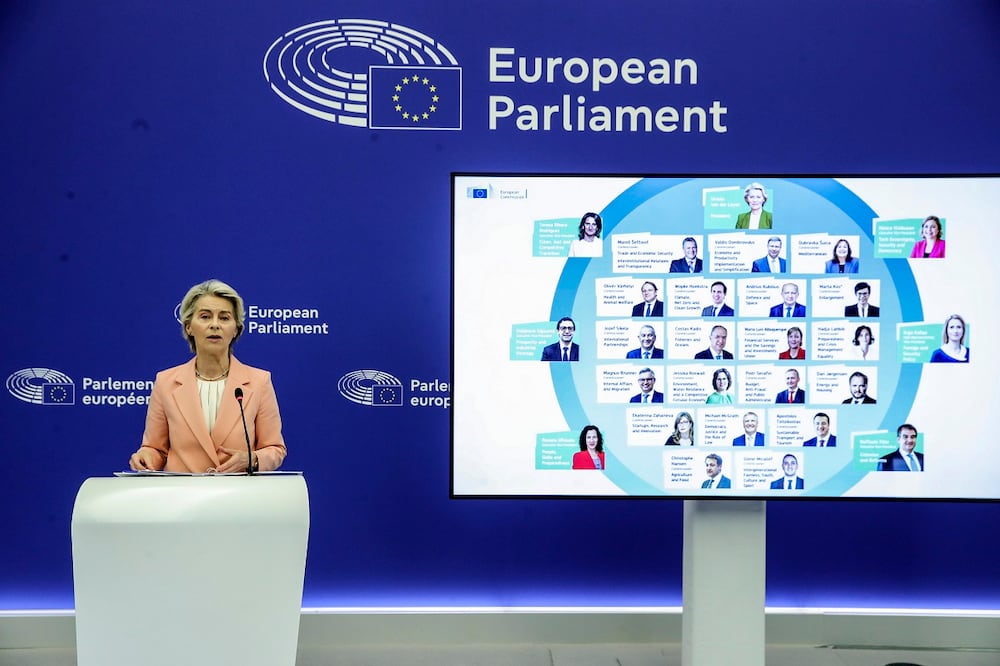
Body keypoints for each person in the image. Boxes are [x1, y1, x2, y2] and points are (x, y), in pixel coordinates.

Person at [128, 279, 286, 473]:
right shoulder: (166, 382)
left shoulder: (259, 382)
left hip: (239, 497)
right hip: (182, 497)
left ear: (235, 329)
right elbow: (155, 449)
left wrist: (252, 459)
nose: (215, 325)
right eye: (205, 316)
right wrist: (146, 458)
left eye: (225, 318)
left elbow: (275, 449)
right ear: (189, 327)